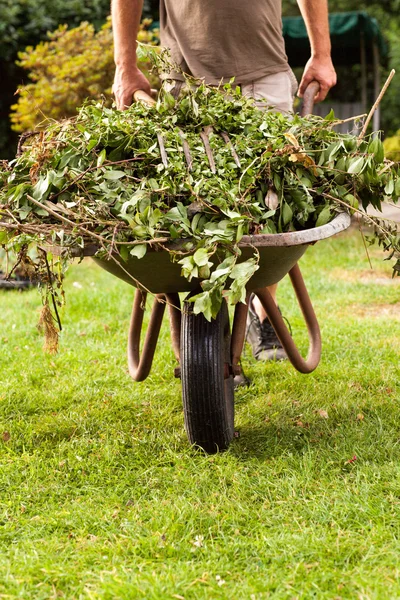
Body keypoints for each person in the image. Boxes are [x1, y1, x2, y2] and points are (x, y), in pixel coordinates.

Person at [111, 0, 336, 363]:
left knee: (268, 207)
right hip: (185, 81)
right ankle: (194, 327)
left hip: (264, 74)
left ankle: (262, 318)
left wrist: (321, 54)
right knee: (185, 211)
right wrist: (126, 66)